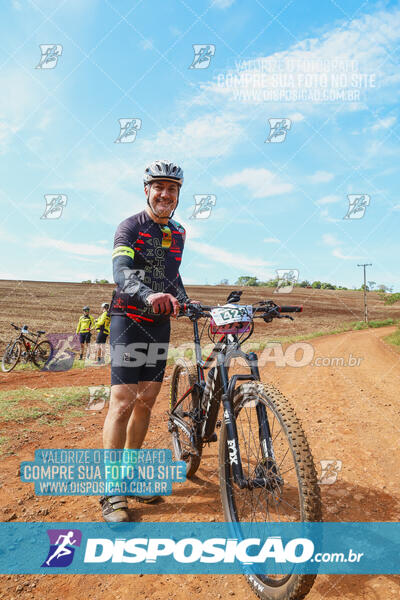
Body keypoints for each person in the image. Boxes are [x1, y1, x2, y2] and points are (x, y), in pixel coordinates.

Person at [100, 160, 194, 522]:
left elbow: (171, 275)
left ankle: (129, 476)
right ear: (147, 191)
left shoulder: (180, 233)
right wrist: (146, 293)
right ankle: (111, 490)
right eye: (159, 187)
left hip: (159, 322)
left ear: (178, 195)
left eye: (172, 189)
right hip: (128, 317)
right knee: (123, 401)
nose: (165, 194)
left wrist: (184, 299)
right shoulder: (130, 227)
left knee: (146, 402)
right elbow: (121, 272)